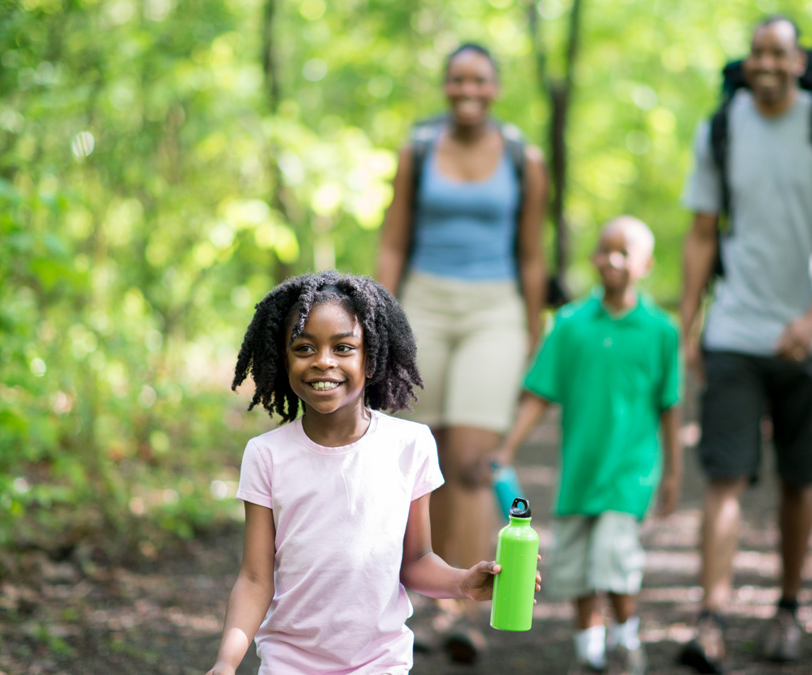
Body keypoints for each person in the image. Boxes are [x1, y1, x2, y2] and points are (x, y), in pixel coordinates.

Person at [205, 271, 538, 675]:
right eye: (304, 347)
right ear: (283, 357)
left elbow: (414, 560)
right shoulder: (266, 455)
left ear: (372, 358)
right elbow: (256, 579)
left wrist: (463, 582)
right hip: (288, 664)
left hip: (380, 663)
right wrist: (226, 662)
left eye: (343, 347)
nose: (323, 361)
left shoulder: (410, 446)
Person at [676, 16, 812, 674]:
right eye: (756, 51)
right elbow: (703, 231)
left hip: (811, 338)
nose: (765, 62)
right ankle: (711, 619)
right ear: (749, 60)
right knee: (723, 477)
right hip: (735, 329)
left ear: (798, 62)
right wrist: (689, 324)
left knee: (799, 479)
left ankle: (788, 609)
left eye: (778, 53)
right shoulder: (721, 127)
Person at [375, 42, 549, 661]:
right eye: (456, 80)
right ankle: (422, 598)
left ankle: (466, 609)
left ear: (495, 87)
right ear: (445, 86)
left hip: (495, 309)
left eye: (478, 80)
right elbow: (393, 241)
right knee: (422, 458)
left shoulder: (524, 159)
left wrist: (534, 333)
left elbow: (532, 255)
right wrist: (379, 318)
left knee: (474, 460)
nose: (466, 90)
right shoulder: (418, 150)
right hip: (422, 304)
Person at [493, 216, 683, 675]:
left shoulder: (661, 330)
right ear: (594, 257)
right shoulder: (571, 323)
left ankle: (626, 641)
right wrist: (508, 449)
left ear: (646, 264)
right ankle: (589, 656)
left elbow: (670, 406)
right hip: (580, 472)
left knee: (612, 561)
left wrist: (673, 471)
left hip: (629, 472)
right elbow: (540, 392)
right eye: (605, 250)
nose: (612, 261)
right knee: (576, 569)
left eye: (625, 253)